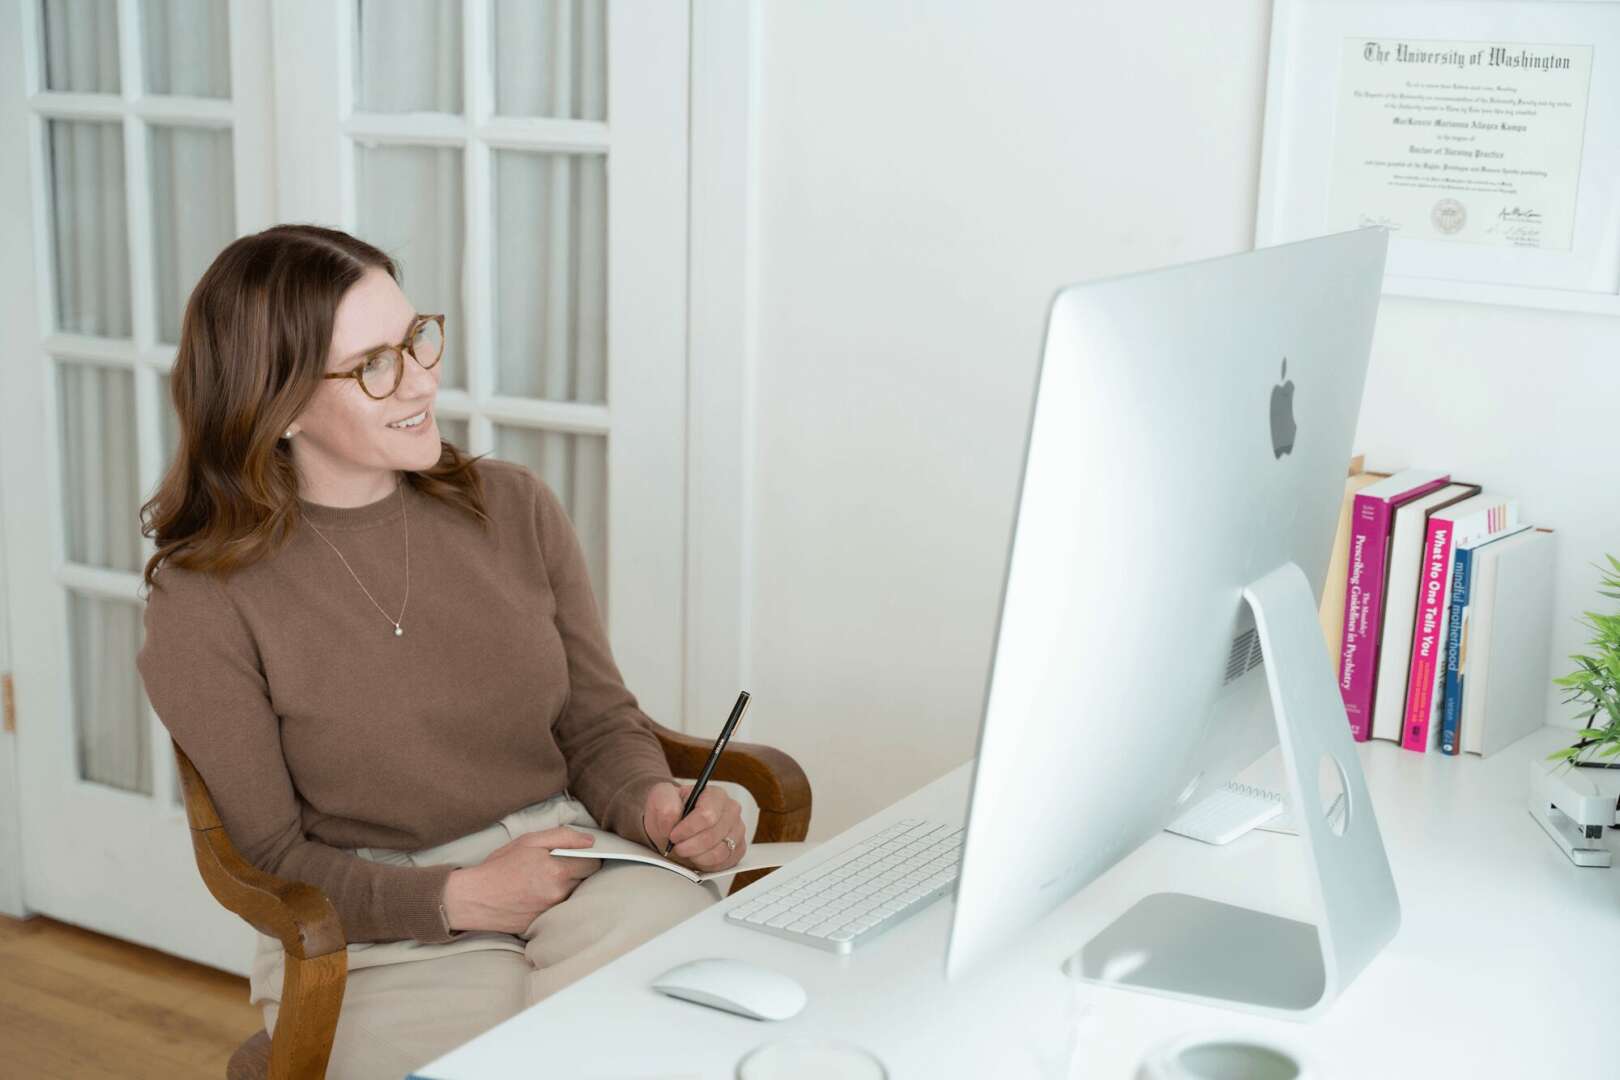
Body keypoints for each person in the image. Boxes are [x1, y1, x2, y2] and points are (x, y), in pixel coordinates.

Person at [135, 224, 745, 1080]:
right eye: (374, 365)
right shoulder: (204, 598)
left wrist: (652, 803)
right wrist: (461, 898)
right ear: (280, 405)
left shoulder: (514, 506)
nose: (422, 378)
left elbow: (597, 722)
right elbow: (270, 859)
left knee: (700, 1032)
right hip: (377, 935)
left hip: (581, 869)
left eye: (417, 336)